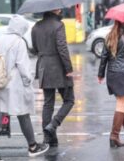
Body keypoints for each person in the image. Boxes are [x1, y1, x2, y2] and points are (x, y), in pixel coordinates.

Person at [0, 15, 49, 161]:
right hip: (13, 86)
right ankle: (33, 147)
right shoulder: (19, 42)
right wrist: (29, 80)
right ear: (20, 27)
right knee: (23, 114)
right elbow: (22, 66)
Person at [32, 9, 75, 147]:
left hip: (44, 67)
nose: (60, 10)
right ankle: (54, 124)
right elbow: (62, 48)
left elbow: (34, 48)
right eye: (58, 8)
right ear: (53, 10)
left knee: (48, 103)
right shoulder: (59, 25)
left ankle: (48, 138)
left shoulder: (36, 26)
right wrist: (68, 68)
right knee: (69, 100)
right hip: (59, 68)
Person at [98, 21, 124, 148]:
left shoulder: (110, 35)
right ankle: (114, 136)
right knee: (121, 104)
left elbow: (103, 57)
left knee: (122, 103)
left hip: (112, 73)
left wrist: (100, 74)